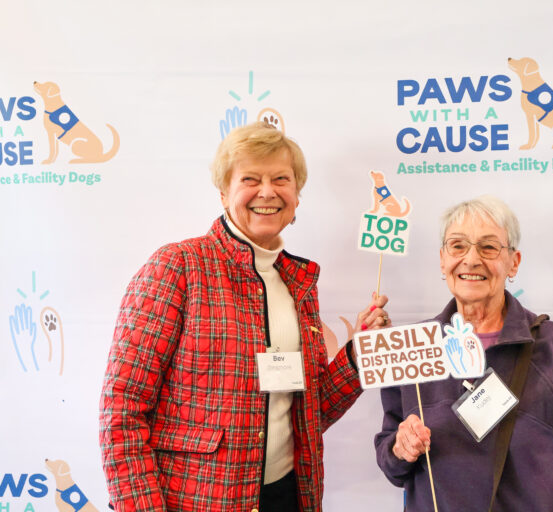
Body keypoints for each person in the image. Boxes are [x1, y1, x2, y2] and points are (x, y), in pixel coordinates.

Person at [100, 122, 389, 512]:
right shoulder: (178, 267)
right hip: (198, 501)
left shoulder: (298, 283)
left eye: (281, 179)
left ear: (297, 197)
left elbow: (310, 414)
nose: (267, 192)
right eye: (250, 178)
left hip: (288, 496)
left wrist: (358, 354)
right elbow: (122, 411)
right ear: (224, 192)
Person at [374, 196, 553, 511]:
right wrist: (399, 448)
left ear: (514, 262)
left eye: (488, 247)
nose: (471, 260)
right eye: (457, 246)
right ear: (442, 259)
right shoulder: (412, 346)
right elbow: (392, 464)